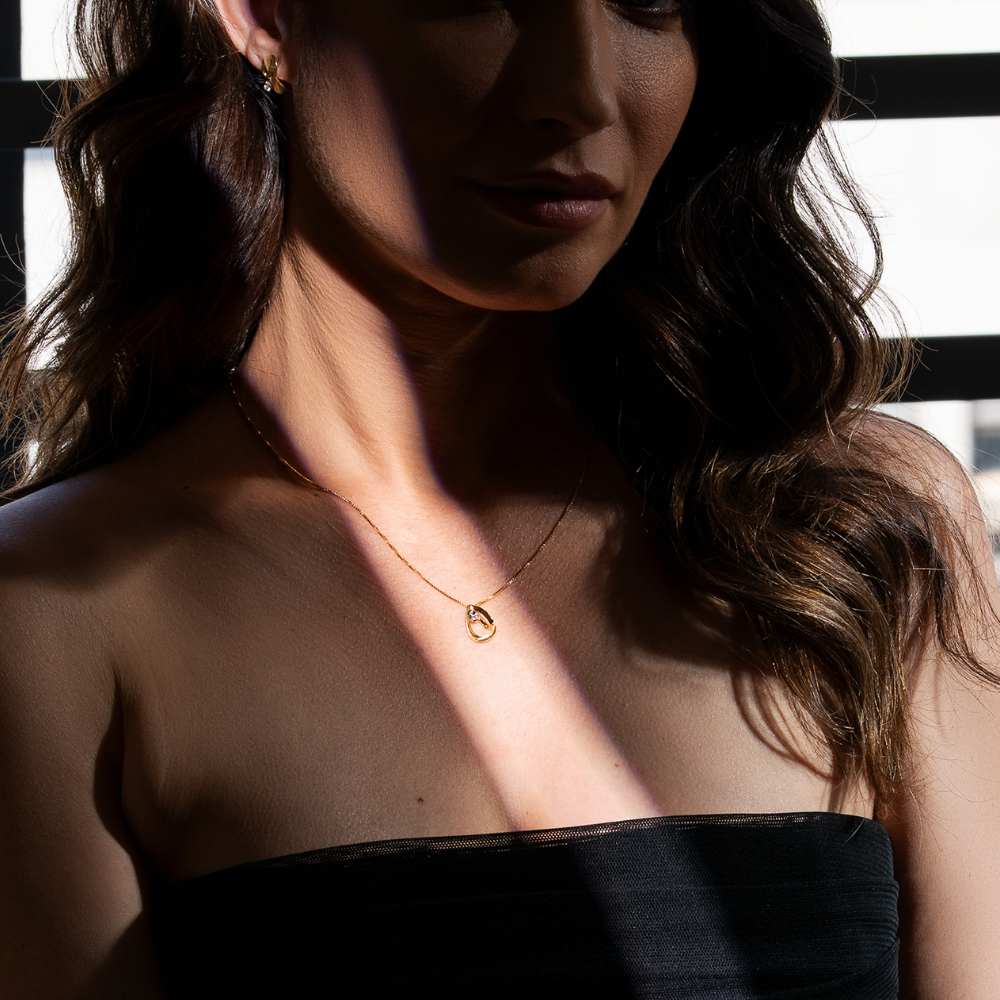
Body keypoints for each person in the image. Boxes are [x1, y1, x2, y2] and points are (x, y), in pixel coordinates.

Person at [0, 0, 998, 995]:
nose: (582, 94)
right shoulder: (54, 620)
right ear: (264, 16)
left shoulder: (863, 534)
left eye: (651, 4)